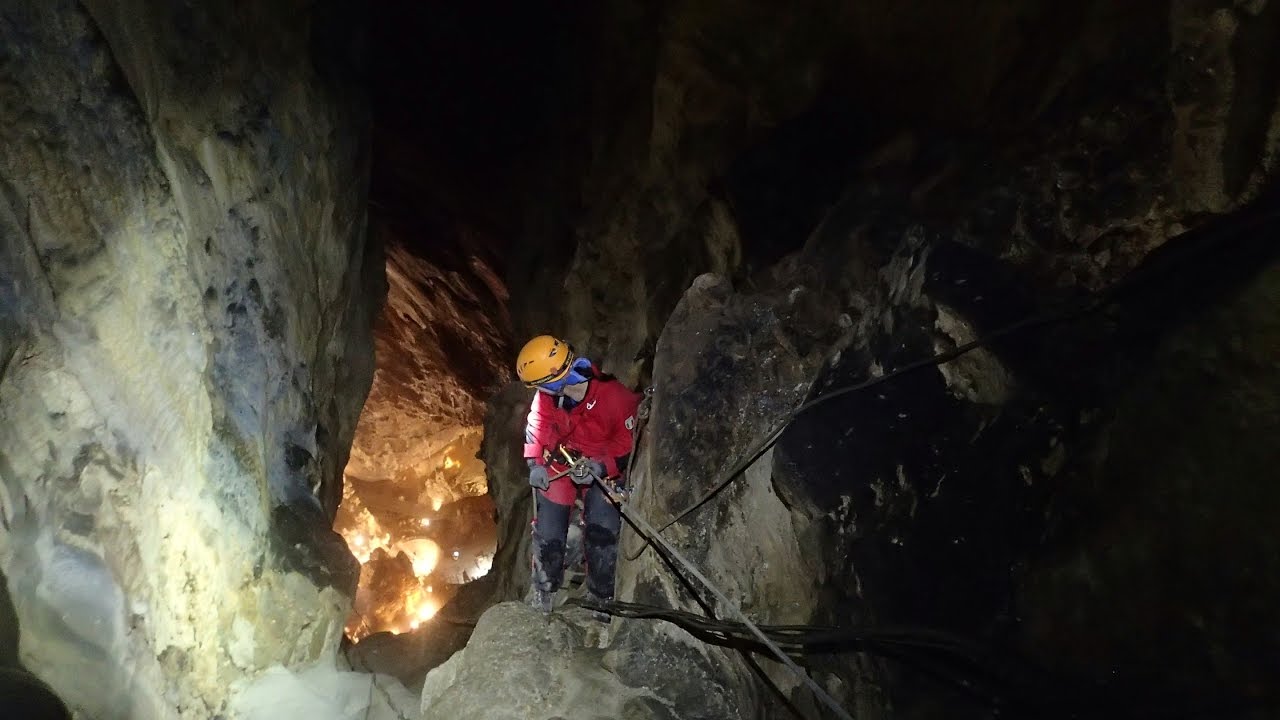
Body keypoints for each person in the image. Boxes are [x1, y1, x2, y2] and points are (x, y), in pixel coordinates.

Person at [516, 335, 640, 615]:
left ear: (553, 378)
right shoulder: (550, 396)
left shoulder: (614, 397)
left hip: (600, 465)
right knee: (548, 528)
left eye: (540, 385)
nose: (539, 391)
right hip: (563, 462)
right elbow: (537, 425)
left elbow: (626, 443)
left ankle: (601, 596)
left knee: (603, 526)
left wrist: (602, 468)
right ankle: (545, 588)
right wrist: (535, 464)